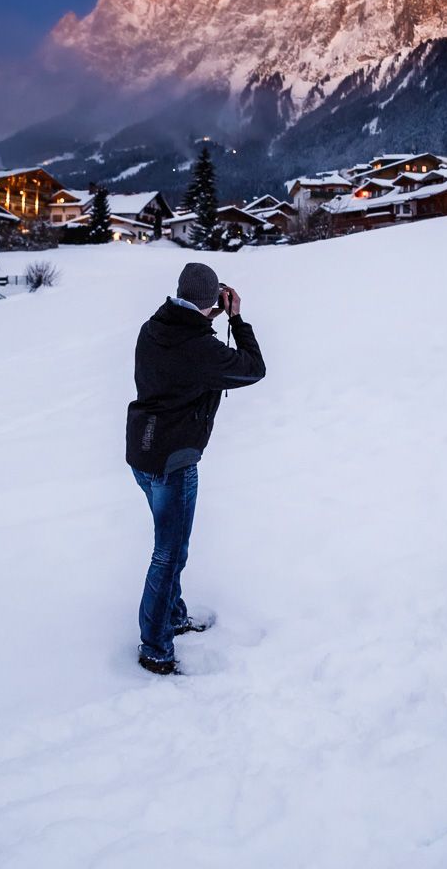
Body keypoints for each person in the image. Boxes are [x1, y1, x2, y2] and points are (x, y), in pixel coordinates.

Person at [126, 262, 266, 675]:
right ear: (211, 301)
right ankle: (155, 648)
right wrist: (235, 318)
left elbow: (185, 344)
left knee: (171, 548)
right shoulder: (200, 349)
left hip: (143, 452)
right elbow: (253, 368)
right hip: (174, 461)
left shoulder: (154, 327)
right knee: (168, 554)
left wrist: (206, 316)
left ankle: (171, 616)